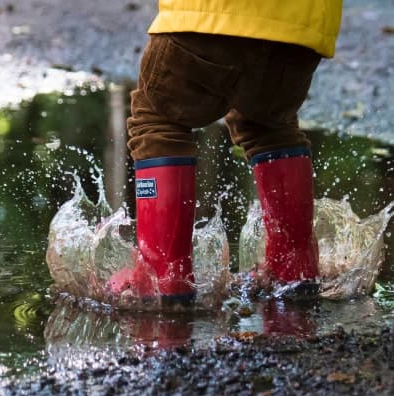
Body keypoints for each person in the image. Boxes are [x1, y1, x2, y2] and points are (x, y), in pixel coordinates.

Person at [109, 0, 343, 305]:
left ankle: (161, 276)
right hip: (302, 28)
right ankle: (293, 267)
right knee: (269, 126)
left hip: (213, 12)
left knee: (157, 119)